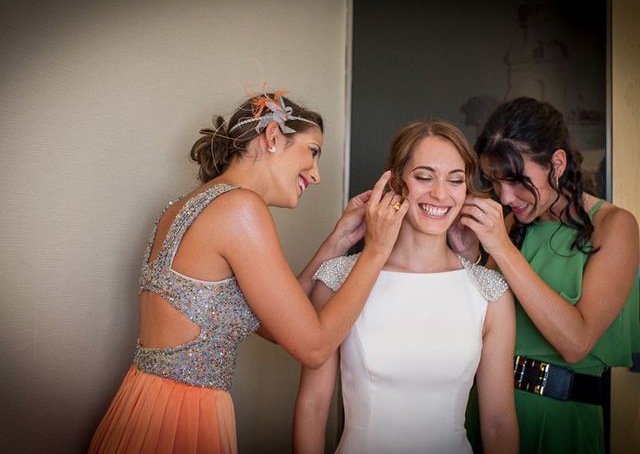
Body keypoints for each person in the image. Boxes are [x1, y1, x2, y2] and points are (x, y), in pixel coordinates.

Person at [88, 90, 409, 454]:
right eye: (313, 151)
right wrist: (377, 250)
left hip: (141, 404)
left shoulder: (183, 207)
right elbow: (315, 347)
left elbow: (276, 325)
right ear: (272, 137)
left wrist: (337, 241)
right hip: (183, 418)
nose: (317, 175)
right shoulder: (241, 208)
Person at [293, 119, 518, 454]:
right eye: (424, 177)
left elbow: (499, 420)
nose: (440, 193)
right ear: (396, 182)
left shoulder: (490, 292)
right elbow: (313, 408)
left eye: (455, 180)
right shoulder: (338, 279)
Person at [457, 97, 640, 454]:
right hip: (488, 410)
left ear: (557, 163)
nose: (506, 197)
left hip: (561, 421)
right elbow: (476, 325)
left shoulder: (615, 225)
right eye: (496, 182)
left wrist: (502, 249)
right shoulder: (512, 225)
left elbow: (576, 342)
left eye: (516, 181)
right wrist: (467, 258)